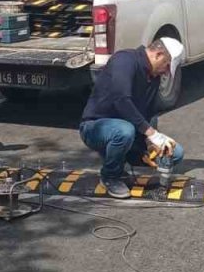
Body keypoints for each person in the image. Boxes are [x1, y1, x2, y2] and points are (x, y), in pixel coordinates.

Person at [79, 38, 186, 199]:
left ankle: (122, 159)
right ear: (158, 55)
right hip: (95, 128)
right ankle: (110, 176)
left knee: (174, 152)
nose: (166, 71)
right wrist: (151, 133)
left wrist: (149, 142)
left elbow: (147, 114)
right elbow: (121, 100)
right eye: (166, 65)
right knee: (124, 131)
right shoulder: (125, 60)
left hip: (130, 133)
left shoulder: (153, 78)